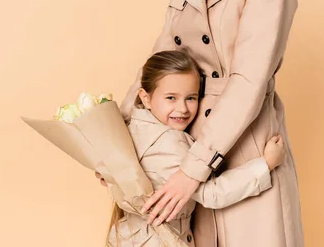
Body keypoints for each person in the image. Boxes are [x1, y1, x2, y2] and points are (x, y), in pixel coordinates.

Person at [116, 0, 304, 247]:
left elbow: (250, 78)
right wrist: (115, 147)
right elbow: (159, 59)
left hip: (243, 144)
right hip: (183, 138)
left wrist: (193, 170)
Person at [107, 50, 285, 246]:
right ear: (146, 98)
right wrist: (265, 165)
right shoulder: (169, 144)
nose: (182, 108)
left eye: (191, 98)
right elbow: (213, 194)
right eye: (171, 98)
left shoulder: (130, 128)